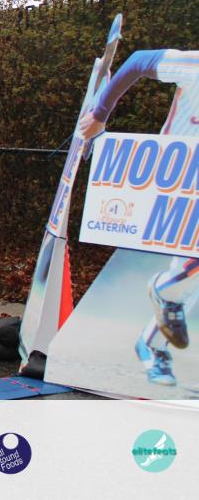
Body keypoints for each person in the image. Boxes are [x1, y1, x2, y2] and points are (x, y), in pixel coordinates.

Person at [80, 48, 199, 387]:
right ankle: (161, 299)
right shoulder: (193, 66)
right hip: (176, 181)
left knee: (189, 271)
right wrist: (100, 114)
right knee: (190, 267)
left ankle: (151, 343)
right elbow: (137, 62)